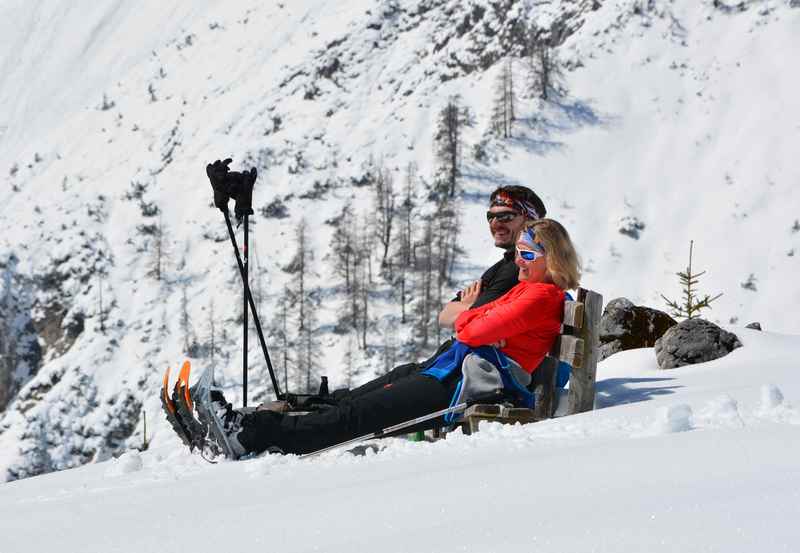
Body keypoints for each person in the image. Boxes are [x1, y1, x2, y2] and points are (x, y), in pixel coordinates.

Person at [207, 218, 581, 458]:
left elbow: (471, 327)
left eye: (527, 254)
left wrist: (470, 318)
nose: (518, 261)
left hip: (469, 385)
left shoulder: (540, 296)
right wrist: (475, 322)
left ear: (552, 260)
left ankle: (249, 436)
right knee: (357, 406)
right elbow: (476, 325)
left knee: (358, 417)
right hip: (457, 370)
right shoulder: (529, 289)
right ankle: (247, 424)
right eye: (517, 253)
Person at [309, 185, 548, 406]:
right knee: (399, 375)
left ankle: (323, 412)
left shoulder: (519, 272)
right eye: (490, 216)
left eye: (505, 216)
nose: (495, 223)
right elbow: (446, 316)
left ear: (529, 220)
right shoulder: (505, 265)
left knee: (386, 392)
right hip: (456, 361)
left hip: (470, 374)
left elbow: (467, 322)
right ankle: (328, 406)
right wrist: (470, 310)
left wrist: (470, 310)